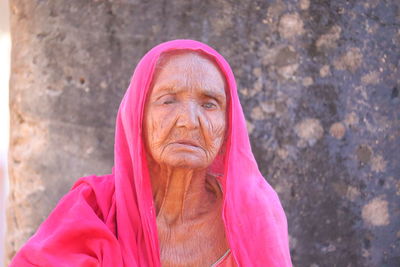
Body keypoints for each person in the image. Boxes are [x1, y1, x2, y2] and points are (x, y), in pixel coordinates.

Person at [10, 40, 292, 266]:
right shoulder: (94, 209)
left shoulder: (253, 214)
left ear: (229, 125)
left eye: (209, 104)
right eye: (168, 100)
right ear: (138, 118)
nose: (189, 121)